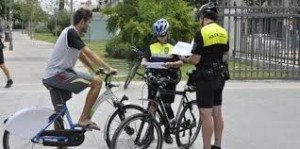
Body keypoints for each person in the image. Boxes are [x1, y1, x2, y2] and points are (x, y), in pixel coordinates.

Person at [42, 8, 117, 131]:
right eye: (89, 22)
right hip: (57, 75)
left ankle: (61, 144)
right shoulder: (72, 33)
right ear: (82, 21)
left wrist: (94, 69)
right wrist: (109, 68)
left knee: (60, 114)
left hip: (53, 75)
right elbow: (90, 53)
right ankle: (84, 118)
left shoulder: (70, 32)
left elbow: (81, 54)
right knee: (97, 83)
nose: (89, 25)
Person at [182, 3, 229, 149]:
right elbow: (226, 57)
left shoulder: (202, 33)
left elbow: (195, 59)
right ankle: (218, 145)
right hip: (220, 77)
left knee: (206, 115)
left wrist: (185, 59)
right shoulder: (223, 32)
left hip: (206, 78)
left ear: (202, 17)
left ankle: (206, 147)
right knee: (217, 113)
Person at [141, 18, 183, 144]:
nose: (161, 38)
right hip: (154, 79)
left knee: (166, 105)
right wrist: (143, 62)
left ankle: (167, 132)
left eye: (163, 35)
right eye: (159, 36)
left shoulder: (173, 44)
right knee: (152, 106)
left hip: (169, 79)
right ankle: (150, 133)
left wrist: (171, 64)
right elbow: (145, 57)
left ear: (167, 32)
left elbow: (181, 62)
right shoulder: (152, 43)